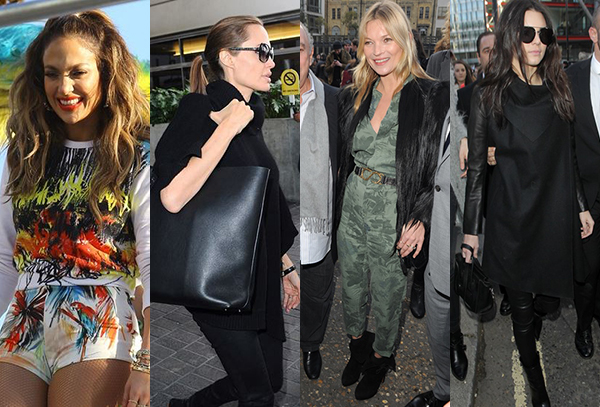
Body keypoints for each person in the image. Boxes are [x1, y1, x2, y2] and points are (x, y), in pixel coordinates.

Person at [0, 11, 151, 407]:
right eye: (52, 74)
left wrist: (146, 361)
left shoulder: (135, 155)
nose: (63, 87)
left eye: (78, 73)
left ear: (105, 73)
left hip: (98, 318)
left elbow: (153, 261)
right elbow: (4, 256)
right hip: (23, 315)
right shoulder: (23, 153)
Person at [153, 15, 300, 407]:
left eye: (271, 52)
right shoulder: (199, 109)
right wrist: (226, 128)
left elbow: (261, 203)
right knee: (258, 394)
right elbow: (171, 196)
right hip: (216, 278)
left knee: (270, 379)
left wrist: (285, 267)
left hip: (257, 275)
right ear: (228, 58)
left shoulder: (251, 115)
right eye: (262, 51)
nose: (272, 62)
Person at [462, 1, 594, 406]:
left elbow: (570, 155)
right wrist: (471, 233)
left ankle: (535, 322)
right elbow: (478, 171)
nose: (537, 42)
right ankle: (538, 389)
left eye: (544, 34)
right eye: (527, 33)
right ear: (510, 37)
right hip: (511, 219)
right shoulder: (488, 94)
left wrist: (581, 205)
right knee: (521, 313)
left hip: (552, 216)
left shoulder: (559, 87)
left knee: (548, 301)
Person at [336, 1, 448, 400]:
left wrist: (422, 217)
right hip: (353, 201)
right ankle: (357, 346)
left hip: (394, 207)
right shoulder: (355, 93)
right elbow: (341, 157)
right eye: (369, 42)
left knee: (387, 295)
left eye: (386, 40)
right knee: (350, 287)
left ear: (404, 40)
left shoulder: (432, 95)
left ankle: (381, 357)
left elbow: (441, 169)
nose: (377, 50)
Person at [299, 22, 339, 380]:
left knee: (317, 292)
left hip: (321, 221)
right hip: (285, 220)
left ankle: (311, 345)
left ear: (311, 55)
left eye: (301, 48)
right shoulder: (266, 102)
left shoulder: (334, 100)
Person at [566, 7, 600, 360]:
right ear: (593, 34)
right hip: (587, 199)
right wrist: (579, 205)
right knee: (586, 273)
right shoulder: (572, 77)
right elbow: (567, 147)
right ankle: (583, 327)